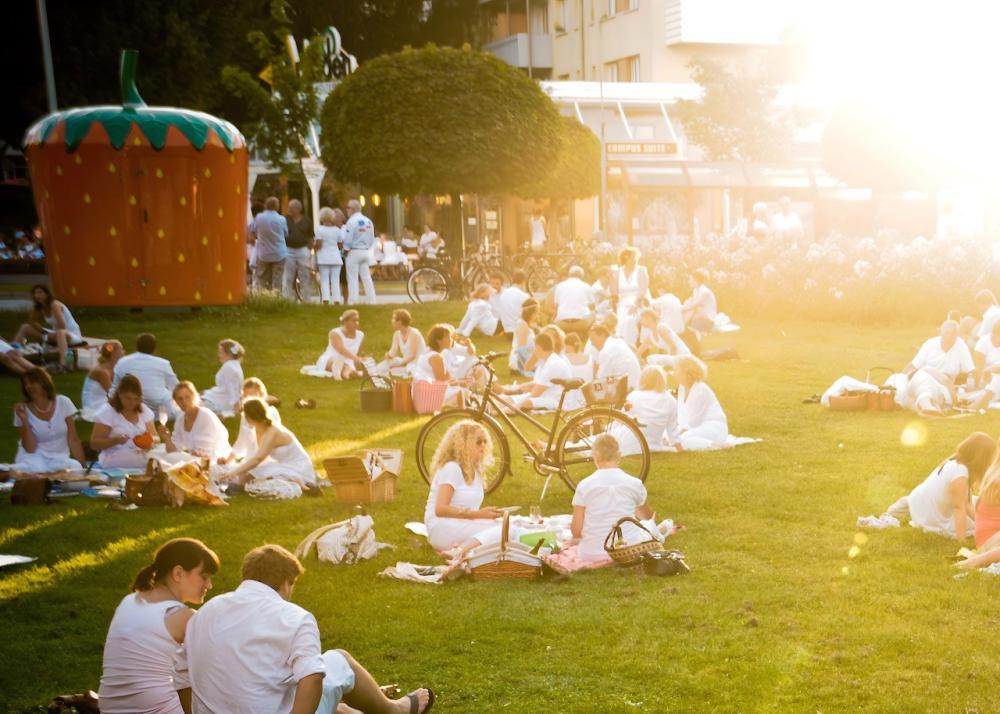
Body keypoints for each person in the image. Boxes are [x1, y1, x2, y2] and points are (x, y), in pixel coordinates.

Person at [177, 544, 433, 714]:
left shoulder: (204, 613)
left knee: (320, 694)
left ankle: (351, 710)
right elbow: (311, 680)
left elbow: (181, 676)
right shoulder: (294, 617)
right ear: (287, 583)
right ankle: (395, 710)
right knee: (339, 661)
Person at [98, 538, 219, 714]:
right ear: (178, 573)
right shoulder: (183, 617)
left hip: (109, 708)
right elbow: (220, 665)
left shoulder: (130, 600)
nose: (209, 585)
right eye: (204, 576)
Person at [874, 432, 994, 540]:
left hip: (919, 503)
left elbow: (966, 503)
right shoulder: (960, 474)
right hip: (931, 519)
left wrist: (981, 521)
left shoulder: (953, 461)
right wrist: (961, 540)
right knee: (978, 523)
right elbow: (959, 508)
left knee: (978, 503)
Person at [570, 434, 667, 561]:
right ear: (619, 456)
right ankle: (666, 527)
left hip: (591, 554)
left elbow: (576, 531)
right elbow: (646, 517)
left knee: (573, 540)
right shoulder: (634, 483)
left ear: (595, 456)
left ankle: (665, 528)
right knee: (649, 526)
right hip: (629, 550)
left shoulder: (585, 485)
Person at [424, 420, 506, 551]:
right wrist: (479, 514)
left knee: (511, 524)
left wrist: (486, 515)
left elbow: (470, 512)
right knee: (506, 530)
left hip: (461, 524)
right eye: (478, 442)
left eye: (485, 441)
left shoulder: (475, 470)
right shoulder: (452, 468)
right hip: (442, 527)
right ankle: (459, 553)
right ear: (464, 444)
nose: (483, 445)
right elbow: (440, 509)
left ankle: (462, 552)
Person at [216, 398, 315, 488]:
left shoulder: (272, 432)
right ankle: (292, 481)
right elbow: (252, 454)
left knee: (248, 476)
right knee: (245, 476)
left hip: (298, 467)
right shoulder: (259, 428)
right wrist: (238, 470)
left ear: (249, 418)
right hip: (283, 464)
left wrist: (234, 473)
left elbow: (258, 459)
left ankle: (297, 482)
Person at [11, 367, 85, 472]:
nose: (29, 387)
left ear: (44, 383)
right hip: (34, 458)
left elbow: (73, 439)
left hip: (59, 458)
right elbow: (29, 448)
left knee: (76, 467)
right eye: (26, 384)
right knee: (38, 470)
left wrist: (84, 467)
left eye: (33, 382)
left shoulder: (63, 402)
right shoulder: (22, 410)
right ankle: (6, 471)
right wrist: (25, 421)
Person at [91, 374, 158, 469]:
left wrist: (150, 442)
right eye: (128, 398)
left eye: (136, 399)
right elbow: (94, 444)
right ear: (119, 395)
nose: (132, 403)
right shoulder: (107, 412)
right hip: (115, 462)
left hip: (143, 460)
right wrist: (115, 440)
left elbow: (155, 438)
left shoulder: (143, 410)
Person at [12, 284, 82, 372]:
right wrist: (42, 330)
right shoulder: (40, 307)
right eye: (35, 293)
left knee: (60, 332)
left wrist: (49, 335)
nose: (37, 295)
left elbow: (62, 326)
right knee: (25, 327)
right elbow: (31, 322)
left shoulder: (55, 304)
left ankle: (63, 364)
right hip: (55, 334)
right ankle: (11, 351)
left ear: (47, 294)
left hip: (71, 335)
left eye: (40, 293)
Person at [495, 332, 571, 412]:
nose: (534, 351)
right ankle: (494, 409)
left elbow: (535, 393)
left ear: (538, 347)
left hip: (557, 401)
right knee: (507, 399)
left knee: (525, 402)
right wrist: (517, 390)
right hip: (546, 396)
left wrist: (519, 392)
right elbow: (536, 383)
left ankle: (496, 413)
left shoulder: (552, 365)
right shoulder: (548, 361)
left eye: (535, 348)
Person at [158, 382, 232, 462]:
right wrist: (167, 438)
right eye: (180, 399)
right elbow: (173, 452)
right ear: (175, 402)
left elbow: (204, 455)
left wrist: (188, 456)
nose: (184, 402)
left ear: (194, 396)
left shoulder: (205, 416)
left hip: (215, 460)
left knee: (167, 461)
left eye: (187, 397)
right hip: (194, 458)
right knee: (161, 456)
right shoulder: (180, 419)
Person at [112, 333, 180, 418]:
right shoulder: (163, 363)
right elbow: (176, 387)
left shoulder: (122, 362)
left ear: (136, 347)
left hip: (131, 404)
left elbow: (115, 387)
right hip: (158, 405)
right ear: (154, 348)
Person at [617, 365, 678, 454]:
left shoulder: (634, 396)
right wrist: (678, 447)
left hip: (629, 442)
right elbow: (672, 430)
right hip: (653, 445)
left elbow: (620, 420)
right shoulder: (670, 400)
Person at [674, 355, 728, 451]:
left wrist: (676, 435)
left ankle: (714, 446)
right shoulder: (682, 388)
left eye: (677, 371)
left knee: (680, 440)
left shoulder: (700, 390)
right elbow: (682, 416)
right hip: (697, 426)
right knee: (669, 436)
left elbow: (693, 422)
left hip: (713, 426)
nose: (674, 374)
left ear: (686, 373)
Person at [224, 378, 282, 464]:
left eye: (253, 395)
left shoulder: (272, 413)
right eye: (246, 396)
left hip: (268, 458)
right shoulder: (246, 416)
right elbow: (241, 442)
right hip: (251, 458)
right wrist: (227, 460)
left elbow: (273, 441)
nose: (249, 399)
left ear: (261, 395)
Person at [412, 323, 467, 408]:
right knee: (461, 391)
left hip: (420, 394)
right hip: (426, 396)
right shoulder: (436, 357)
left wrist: (461, 380)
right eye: (448, 337)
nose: (451, 340)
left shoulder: (428, 352)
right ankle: (463, 412)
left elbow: (446, 378)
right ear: (439, 341)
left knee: (463, 391)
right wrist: (459, 383)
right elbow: (442, 383)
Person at [313, 309, 366, 380]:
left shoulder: (361, 334)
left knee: (356, 366)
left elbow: (358, 353)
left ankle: (349, 373)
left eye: (357, 320)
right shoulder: (335, 333)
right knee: (339, 362)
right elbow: (341, 350)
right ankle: (345, 374)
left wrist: (361, 360)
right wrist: (355, 358)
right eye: (354, 321)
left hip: (349, 361)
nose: (356, 323)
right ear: (345, 322)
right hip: (330, 359)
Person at [199, 339, 245, 417]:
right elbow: (226, 387)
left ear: (228, 354)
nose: (218, 355)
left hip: (221, 402)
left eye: (220, 352)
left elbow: (232, 389)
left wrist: (233, 409)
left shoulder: (229, 367)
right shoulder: (235, 365)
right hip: (221, 397)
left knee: (192, 404)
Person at [251, 196, 288, 292]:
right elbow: (285, 234)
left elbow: (253, 231)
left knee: (263, 280)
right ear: (277, 206)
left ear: (266, 205)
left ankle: (265, 300)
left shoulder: (259, 217)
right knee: (277, 280)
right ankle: (276, 300)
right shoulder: (281, 219)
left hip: (264, 254)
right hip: (279, 253)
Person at [343, 198, 377, 305]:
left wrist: (346, 250)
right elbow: (372, 238)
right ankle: (372, 301)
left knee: (352, 278)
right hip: (365, 251)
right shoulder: (368, 221)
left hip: (354, 252)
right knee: (366, 277)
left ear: (352, 209)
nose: (347, 210)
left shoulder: (351, 221)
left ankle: (353, 301)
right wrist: (367, 247)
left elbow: (348, 238)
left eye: (348, 207)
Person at [613, 247, 649, 345]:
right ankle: (621, 343)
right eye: (633, 258)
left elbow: (643, 290)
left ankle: (631, 344)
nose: (635, 260)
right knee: (621, 320)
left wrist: (635, 305)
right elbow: (614, 292)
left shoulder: (641, 270)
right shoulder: (617, 272)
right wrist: (615, 304)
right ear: (626, 259)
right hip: (623, 302)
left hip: (640, 301)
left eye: (636, 258)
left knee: (630, 320)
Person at [80, 340, 124, 421]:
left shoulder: (114, 369)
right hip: (93, 407)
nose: (124, 352)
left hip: (102, 401)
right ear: (114, 353)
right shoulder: (102, 372)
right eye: (121, 349)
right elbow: (112, 394)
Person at [589, 323, 641, 389]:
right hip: (635, 384)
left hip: (628, 389)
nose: (592, 344)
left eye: (593, 339)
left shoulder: (606, 351)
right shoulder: (617, 342)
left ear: (602, 335)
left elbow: (600, 380)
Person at [282, 198, 315, 301]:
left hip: (303, 250)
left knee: (305, 275)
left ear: (297, 209)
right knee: (288, 276)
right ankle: (287, 299)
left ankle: (306, 299)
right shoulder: (285, 219)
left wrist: (310, 251)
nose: (289, 209)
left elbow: (311, 237)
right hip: (288, 249)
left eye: (291, 208)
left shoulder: (307, 221)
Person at [548, 266, 595, 337]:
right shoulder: (586, 286)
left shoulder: (559, 286)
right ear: (582, 276)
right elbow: (592, 306)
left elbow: (556, 306)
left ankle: (567, 334)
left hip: (562, 324)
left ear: (569, 275)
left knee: (558, 314)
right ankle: (585, 335)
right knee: (593, 313)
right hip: (581, 324)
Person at [378, 309, 426, 376]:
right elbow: (393, 352)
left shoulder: (414, 333)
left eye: (393, 319)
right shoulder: (397, 334)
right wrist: (388, 356)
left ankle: (386, 375)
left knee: (393, 370)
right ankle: (373, 372)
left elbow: (412, 355)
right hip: (405, 362)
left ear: (400, 321)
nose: (392, 321)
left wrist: (399, 365)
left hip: (416, 364)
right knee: (387, 364)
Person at [315, 207, 345, 305]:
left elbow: (319, 244)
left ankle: (326, 300)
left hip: (323, 258)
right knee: (335, 280)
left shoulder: (319, 229)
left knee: (324, 280)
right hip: (336, 257)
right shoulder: (337, 230)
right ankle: (337, 300)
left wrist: (314, 248)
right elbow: (340, 244)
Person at [970, 321, 1000, 410]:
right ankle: (983, 402)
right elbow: (979, 368)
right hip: (986, 379)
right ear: (994, 334)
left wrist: (991, 369)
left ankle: (979, 404)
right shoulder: (983, 343)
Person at [682, 269, 718, 335]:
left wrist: (681, 309)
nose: (689, 281)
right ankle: (683, 326)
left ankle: (683, 326)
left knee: (690, 307)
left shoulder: (704, 292)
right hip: (699, 317)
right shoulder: (695, 290)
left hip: (707, 320)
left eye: (690, 279)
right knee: (688, 304)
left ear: (696, 280)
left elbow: (694, 305)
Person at [509, 299, 539, 377]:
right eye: (537, 313)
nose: (538, 315)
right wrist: (528, 367)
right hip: (520, 361)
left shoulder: (526, 324)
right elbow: (521, 349)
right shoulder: (523, 325)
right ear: (531, 313)